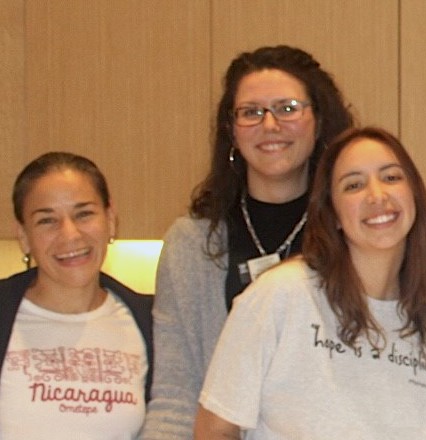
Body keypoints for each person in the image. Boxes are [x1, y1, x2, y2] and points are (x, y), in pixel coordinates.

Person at [145, 45, 355, 439]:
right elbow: (175, 397)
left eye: (288, 108)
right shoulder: (191, 245)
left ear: (320, 120)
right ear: (231, 130)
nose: (270, 125)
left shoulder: (354, 235)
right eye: (251, 112)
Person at [193, 127, 426, 439]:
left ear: (416, 196)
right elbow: (215, 429)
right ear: (334, 213)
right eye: (353, 185)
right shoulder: (281, 294)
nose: (377, 196)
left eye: (391, 177)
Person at [1, 152, 153, 438]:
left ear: (110, 219)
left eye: (84, 214)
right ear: (23, 235)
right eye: (47, 221)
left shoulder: (152, 324)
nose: (70, 235)